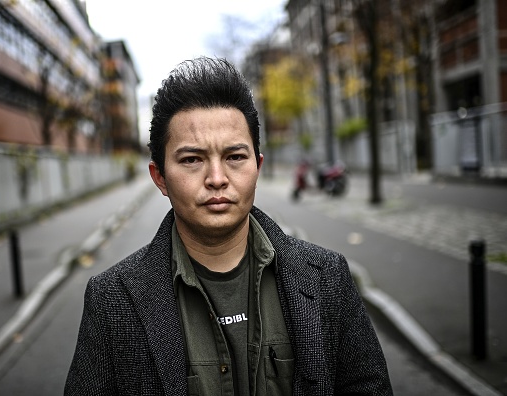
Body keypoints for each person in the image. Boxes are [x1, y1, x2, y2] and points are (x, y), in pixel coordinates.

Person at [65, 57, 392, 396]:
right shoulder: (112, 299)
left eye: (235, 157)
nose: (217, 179)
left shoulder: (328, 277)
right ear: (159, 177)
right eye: (192, 160)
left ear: (257, 166)